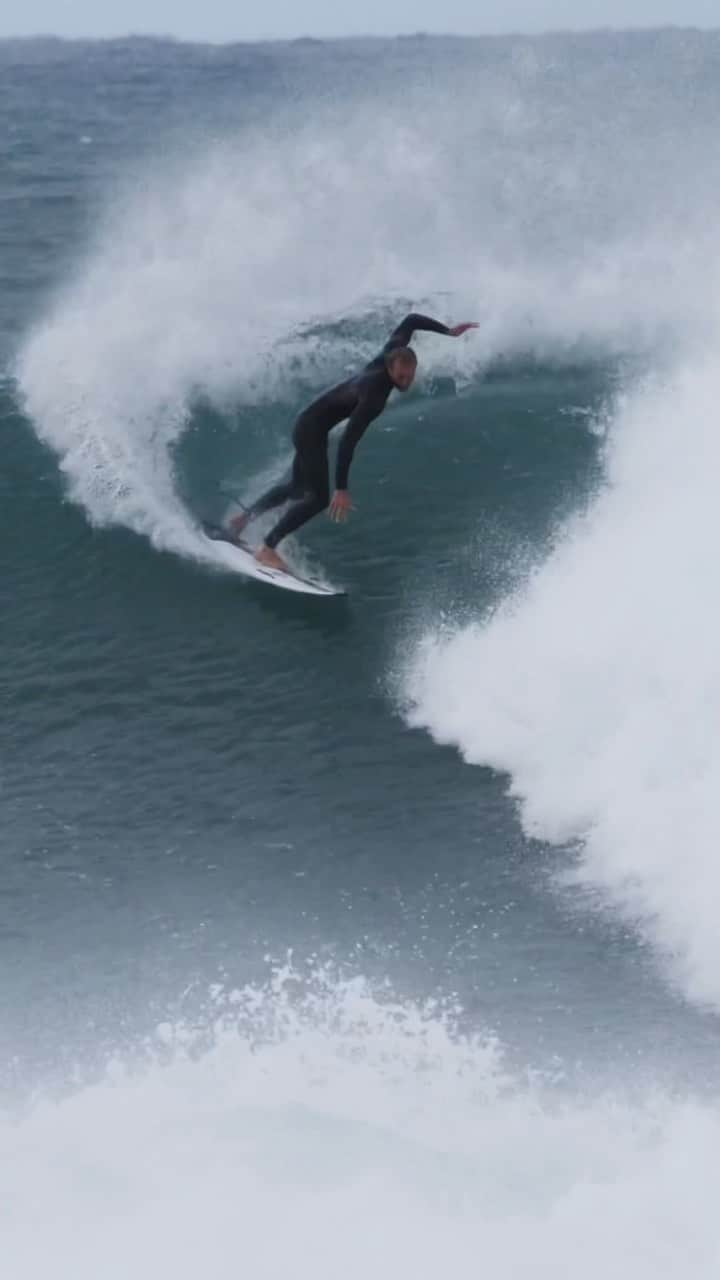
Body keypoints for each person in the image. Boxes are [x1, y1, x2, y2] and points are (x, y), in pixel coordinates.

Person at [229, 312, 478, 570]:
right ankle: (268, 548)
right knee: (318, 499)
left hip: (308, 423)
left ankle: (242, 520)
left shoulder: (392, 351)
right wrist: (341, 488)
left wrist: (449, 332)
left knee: (297, 487)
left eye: (410, 375)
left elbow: (411, 320)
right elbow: (349, 439)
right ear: (391, 369)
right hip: (310, 431)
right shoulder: (375, 396)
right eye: (402, 377)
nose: (406, 381)